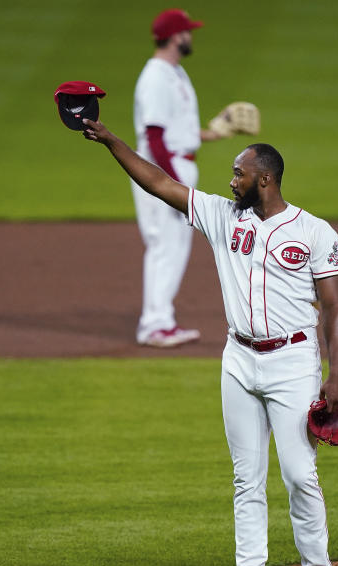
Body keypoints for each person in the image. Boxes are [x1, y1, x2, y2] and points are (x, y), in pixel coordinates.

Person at [81, 117, 338, 566]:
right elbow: (159, 182)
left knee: (301, 476)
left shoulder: (315, 232)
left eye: (239, 173)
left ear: (266, 180)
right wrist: (111, 141)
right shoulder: (220, 216)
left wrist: (336, 375)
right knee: (245, 480)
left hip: (295, 363)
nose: (231, 180)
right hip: (238, 360)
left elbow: (336, 309)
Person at [130, 8, 221, 347]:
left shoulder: (175, 73)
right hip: (163, 168)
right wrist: (171, 184)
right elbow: (155, 136)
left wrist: (212, 133)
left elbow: (174, 129)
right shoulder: (155, 76)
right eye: (188, 32)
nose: (191, 37)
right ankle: (154, 325)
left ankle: (161, 321)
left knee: (175, 244)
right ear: (175, 36)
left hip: (176, 165)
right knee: (164, 244)